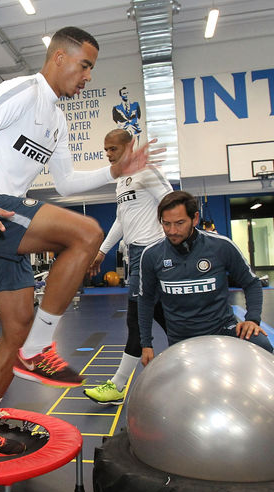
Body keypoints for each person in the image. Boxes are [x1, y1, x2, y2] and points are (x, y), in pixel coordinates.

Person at [0, 26, 158, 456]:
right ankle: (40, 348)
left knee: (15, 329)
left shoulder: (57, 121)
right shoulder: (24, 91)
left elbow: (65, 183)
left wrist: (114, 172)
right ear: (59, 57)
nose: (88, 77)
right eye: (85, 66)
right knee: (88, 233)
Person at [83, 129, 172, 405]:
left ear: (130, 146)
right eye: (106, 150)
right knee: (164, 316)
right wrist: (102, 251)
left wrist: (170, 247)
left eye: (113, 149)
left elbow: (172, 203)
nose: (108, 154)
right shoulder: (121, 180)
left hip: (152, 253)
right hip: (135, 255)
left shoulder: (147, 172)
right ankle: (197, 358)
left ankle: (118, 386)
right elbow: (121, 220)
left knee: (137, 319)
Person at [138, 191, 273, 367]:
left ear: (195, 219)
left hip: (222, 330)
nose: (172, 231)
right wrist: (146, 344)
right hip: (181, 338)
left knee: (261, 344)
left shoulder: (221, 246)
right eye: (166, 224)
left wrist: (252, 319)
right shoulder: (151, 255)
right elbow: (145, 300)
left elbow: (252, 283)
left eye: (179, 223)